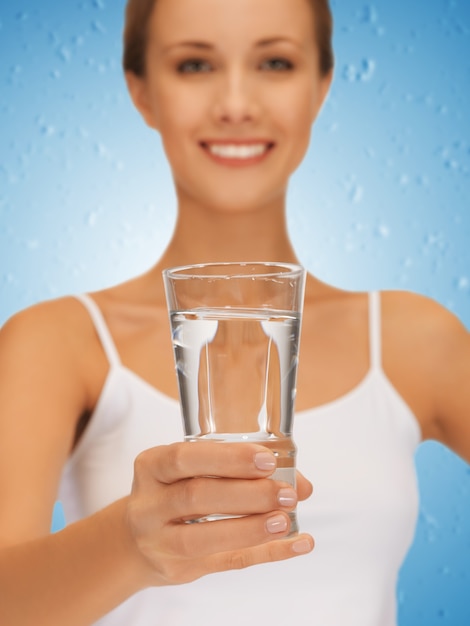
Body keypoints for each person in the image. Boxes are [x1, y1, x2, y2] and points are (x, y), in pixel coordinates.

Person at [0, 0, 469, 624]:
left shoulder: (414, 339)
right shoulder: (59, 343)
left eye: (275, 62)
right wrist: (129, 545)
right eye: (195, 65)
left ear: (321, 86)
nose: (236, 103)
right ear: (140, 92)